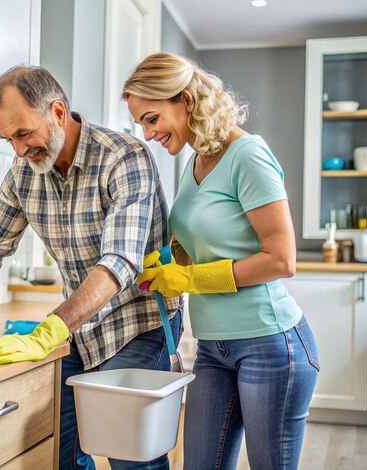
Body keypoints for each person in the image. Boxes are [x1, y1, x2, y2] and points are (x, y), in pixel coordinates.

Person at [0, 65, 184, 470]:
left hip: (137, 325)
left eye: (24, 134)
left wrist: (52, 329)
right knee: (57, 450)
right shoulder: (24, 174)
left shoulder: (124, 157)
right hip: (79, 330)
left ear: (58, 112)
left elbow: (120, 261)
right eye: (9, 139)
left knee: (130, 458)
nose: (19, 150)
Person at [122, 52, 319, 469]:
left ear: (186, 102)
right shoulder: (194, 161)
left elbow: (281, 260)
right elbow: (207, 239)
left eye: (152, 118)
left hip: (271, 344)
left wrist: (190, 279)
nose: (147, 132)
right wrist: (165, 261)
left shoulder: (247, 155)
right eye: (141, 122)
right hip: (214, 348)